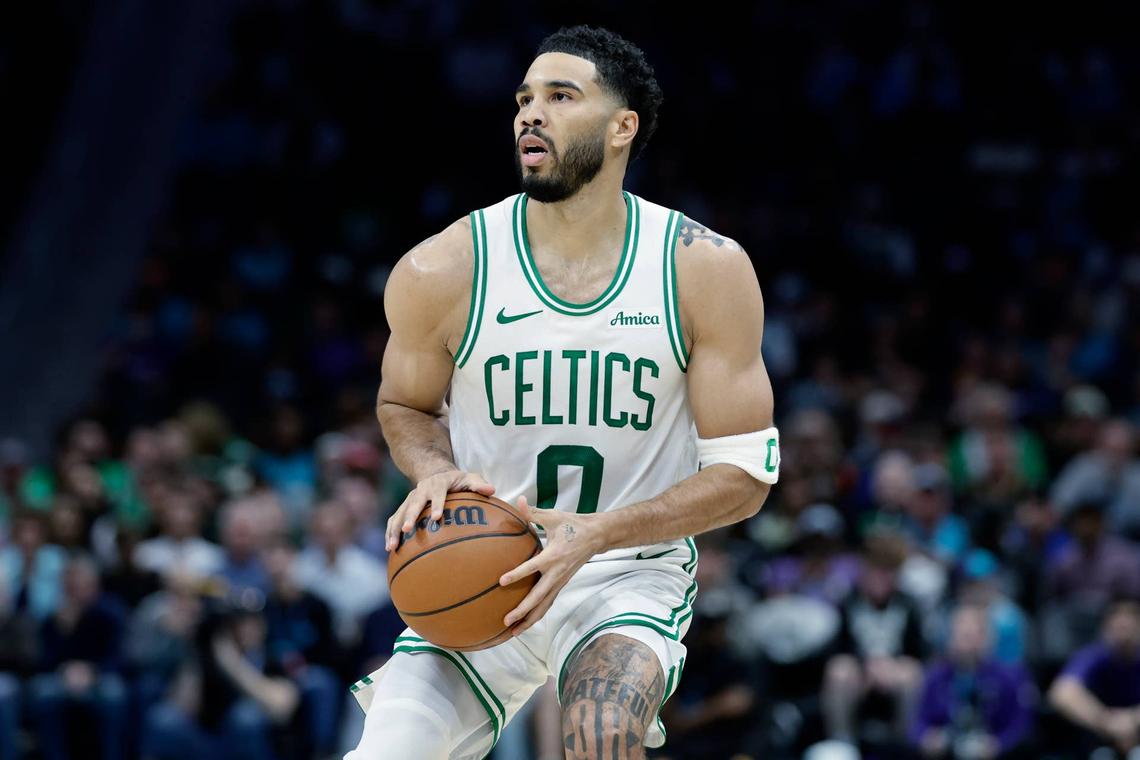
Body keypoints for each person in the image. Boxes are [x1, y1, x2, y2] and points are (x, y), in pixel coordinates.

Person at [347, 24, 778, 760]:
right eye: (523, 98)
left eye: (559, 95)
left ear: (622, 127)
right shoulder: (442, 269)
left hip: (624, 572)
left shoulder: (701, 267)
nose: (529, 114)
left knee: (601, 734)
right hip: (482, 561)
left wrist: (599, 532)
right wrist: (438, 472)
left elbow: (743, 476)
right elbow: (405, 407)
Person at [28, 555, 128, 760]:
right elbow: (43, 662)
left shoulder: (111, 612)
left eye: (81, 586)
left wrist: (91, 672)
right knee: (42, 691)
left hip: (99, 678)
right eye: (70, 586)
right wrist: (63, 632)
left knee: (115, 694)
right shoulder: (54, 617)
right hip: (63, 678)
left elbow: (118, 658)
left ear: (95, 586)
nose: (75, 592)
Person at [910, 605, 1035, 759]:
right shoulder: (935, 676)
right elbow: (917, 722)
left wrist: (999, 744)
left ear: (987, 638)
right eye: (961, 635)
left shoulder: (1009, 677)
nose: (966, 643)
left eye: (972, 635)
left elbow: (1021, 726)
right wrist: (926, 738)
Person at [1049, 599, 1140, 759]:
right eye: (1117, 619)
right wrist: (1106, 722)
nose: (1124, 624)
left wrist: (1133, 719)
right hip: (1100, 736)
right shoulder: (1093, 656)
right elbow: (1062, 693)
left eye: (1131, 618)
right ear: (1106, 626)